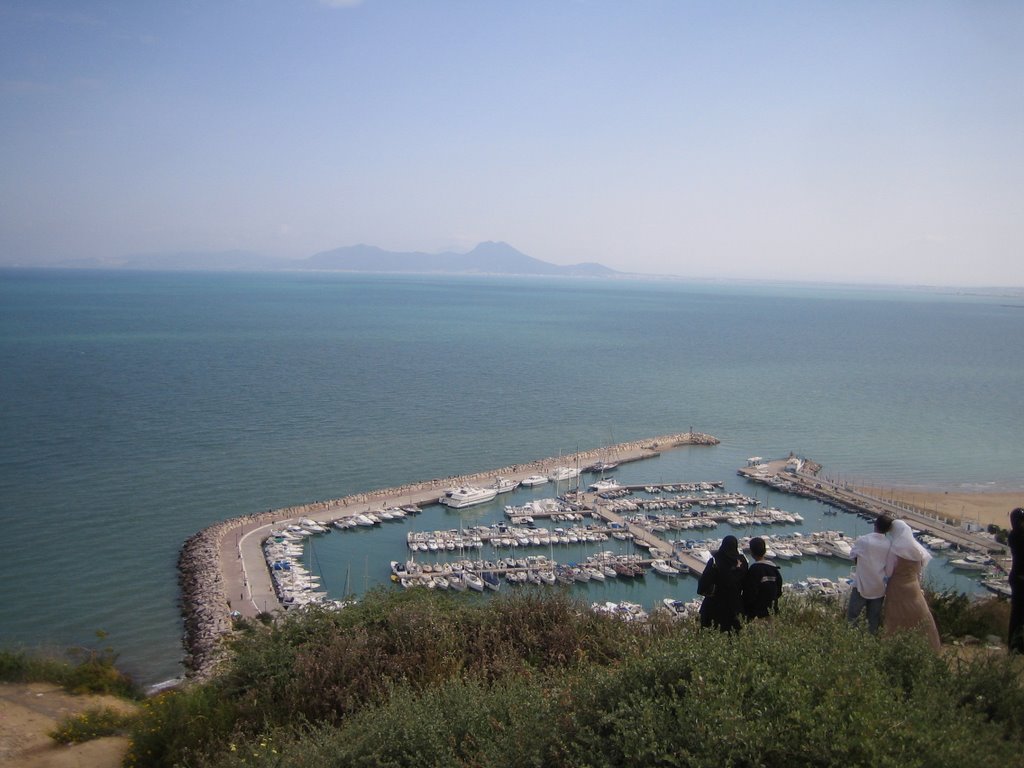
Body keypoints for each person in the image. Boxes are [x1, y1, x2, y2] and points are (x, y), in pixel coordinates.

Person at [882, 519, 941, 651]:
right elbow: (919, 572)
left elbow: (889, 571)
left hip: (896, 588)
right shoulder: (917, 549)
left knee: (894, 617)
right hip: (913, 588)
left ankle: (892, 648)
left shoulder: (895, 549)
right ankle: (929, 646)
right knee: (919, 615)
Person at [846, 514, 893, 634]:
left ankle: (849, 644)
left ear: (875, 524)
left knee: (852, 618)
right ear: (888, 530)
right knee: (873, 620)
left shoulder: (864, 540)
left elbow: (853, 556)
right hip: (878, 588)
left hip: (861, 585)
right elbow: (889, 569)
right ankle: (870, 646)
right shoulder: (889, 545)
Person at [698, 535, 748, 632]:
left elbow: (703, 585)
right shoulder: (742, 561)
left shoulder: (715, 561)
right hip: (735, 606)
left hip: (714, 607)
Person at [742, 536, 783, 620]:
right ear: (764, 551)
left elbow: (749, 593)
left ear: (752, 552)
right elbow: (779, 590)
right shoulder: (774, 568)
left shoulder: (754, 570)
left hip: (758, 613)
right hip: (772, 611)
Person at [1007, 507, 1024, 654]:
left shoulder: (1014, 535)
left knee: (1018, 614)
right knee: (1018, 614)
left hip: (1017, 578)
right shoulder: (1017, 537)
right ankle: (1015, 645)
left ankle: (1016, 644)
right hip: (1020, 579)